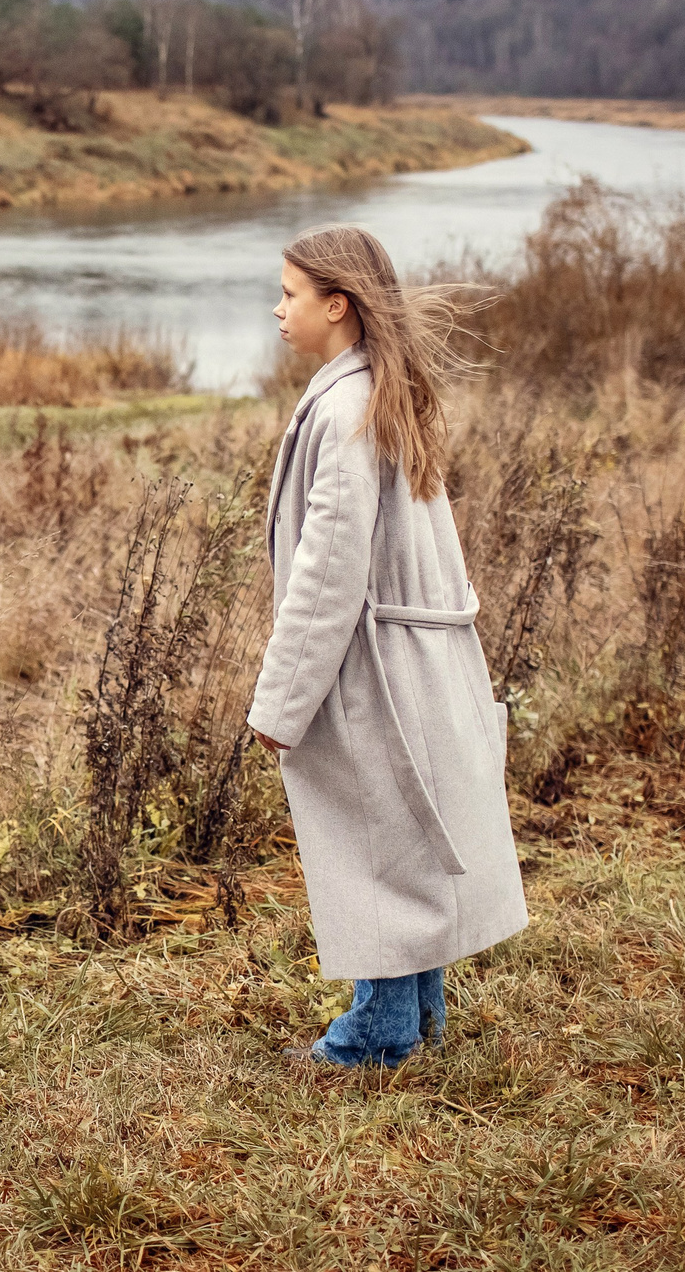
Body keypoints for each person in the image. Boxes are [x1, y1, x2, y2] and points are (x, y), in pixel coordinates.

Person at [247, 224, 527, 1068]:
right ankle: (420, 1006)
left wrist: (281, 702)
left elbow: (328, 572)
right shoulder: (378, 392)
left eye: (290, 293)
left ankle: (380, 1029)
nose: (278, 308)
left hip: (374, 664)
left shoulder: (345, 410)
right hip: (413, 653)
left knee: (376, 839)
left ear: (338, 304)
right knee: (407, 830)